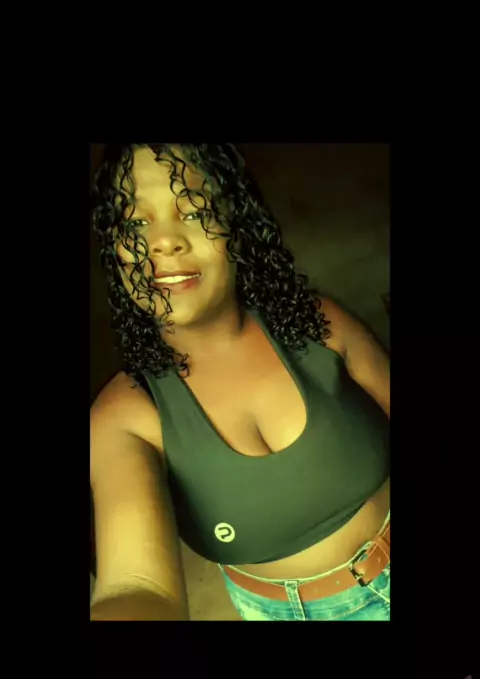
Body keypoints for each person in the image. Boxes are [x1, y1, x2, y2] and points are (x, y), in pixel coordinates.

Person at [90, 143, 390, 621]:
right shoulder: (124, 414)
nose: (164, 241)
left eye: (193, 211)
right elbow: (136, 585)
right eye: (135, 222)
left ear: (236, 225)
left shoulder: (318, 323)